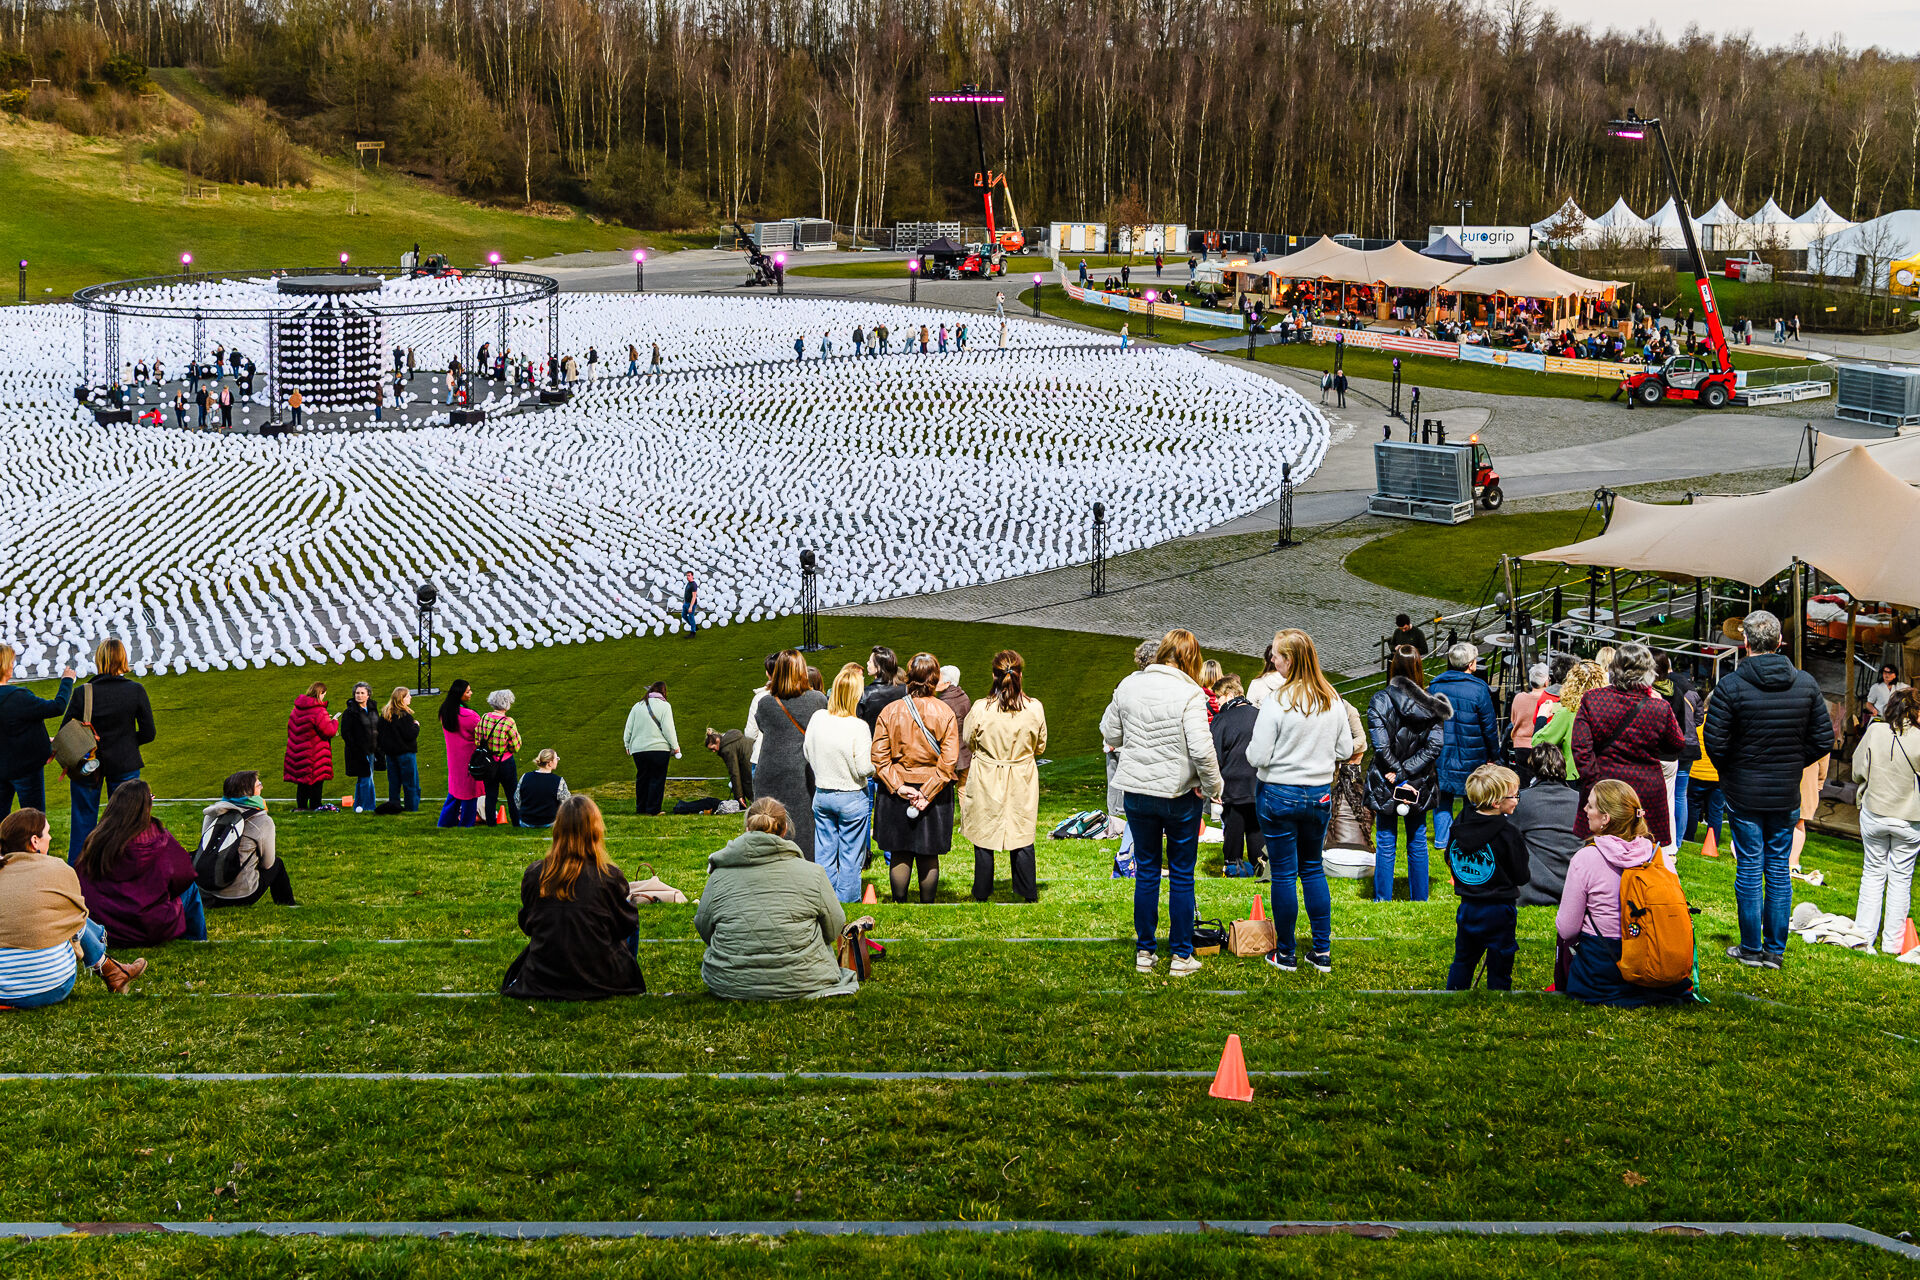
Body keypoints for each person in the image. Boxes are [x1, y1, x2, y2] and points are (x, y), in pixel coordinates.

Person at [1703, 612, 1831, 968]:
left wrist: (1736, 769)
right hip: (1778, 790)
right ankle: (1771, 949)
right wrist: (1789, 763)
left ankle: (1752, 947)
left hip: (1748, 788)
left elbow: (1714, 742)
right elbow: (1822, 739)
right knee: (1776, 867)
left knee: (1750, 867)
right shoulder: (1804, 684)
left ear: (1745, 644)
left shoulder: (1732, 685)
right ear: (1778, 643)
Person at [1101, 629, 1224, 975]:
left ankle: (1145, 951)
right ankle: (1182, 955)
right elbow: (1202, 748)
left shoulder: (1129, 685)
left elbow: (1110, 732)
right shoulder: (1189, 693)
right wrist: (1214, 785)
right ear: (1189, 659)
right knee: (1182, 875)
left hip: (1138, 792)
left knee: (1148, 873)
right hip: (1179, 793)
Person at [1244, 629, 1353, 973]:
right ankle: (1321, 950)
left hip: (1279, 791)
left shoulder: (1278, 700)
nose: (1272, 660)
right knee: (1311, 868)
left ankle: (1287, 951)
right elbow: (1346, 750)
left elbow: (1257, 755)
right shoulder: (1330, 698)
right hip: (1318, 792)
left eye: (1276, 655)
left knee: (1285, 874)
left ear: (1289, 660)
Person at [694, 798, 859, 1000]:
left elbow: (704, 927)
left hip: (730, 983)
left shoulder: (719, 875)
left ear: (747, 828)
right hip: (805, 981)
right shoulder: (813, 873)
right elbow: (834, 928)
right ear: (785, 829)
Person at [1556, 779, 1694, 1006]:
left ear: (1605, 819)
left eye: (1590, 806)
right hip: (1659, 965)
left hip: (1602, 974)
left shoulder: (1587, 858)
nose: (1585, 810)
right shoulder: (1659, 858)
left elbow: (1567, 929)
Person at [500, 796, 646, 1000]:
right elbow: (625, 925)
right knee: (629, 906)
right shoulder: (609, 876)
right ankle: (624, 968)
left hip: (543, 975)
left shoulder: (536, 873)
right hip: (601, 976)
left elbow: (527, 924)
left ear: (557, 830)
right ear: (595, 830)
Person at [0, 808, 146, 1007]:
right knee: (69, 914)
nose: (50, 837)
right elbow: (77, 918)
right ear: (35, 841)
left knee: (61, 913)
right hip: (51, 987)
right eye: (47, 832)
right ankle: (108, 968)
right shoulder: (57, 869)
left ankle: (111, 970)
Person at [1573, 644, 1686, 851]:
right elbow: (1677, 742)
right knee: (1640, 856)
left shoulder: (1593, 699)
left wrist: (1594, 782)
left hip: (1604, 785)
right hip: (1644, 790)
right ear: (1649, 672)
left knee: (1597, 851)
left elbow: (1580, 749)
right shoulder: (1658, 707)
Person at [872, 652, 961, 903]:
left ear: (909, 677)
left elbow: (879, 757)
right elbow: (949, 760)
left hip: (897, 790)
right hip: (934, 789)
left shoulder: (890, 711)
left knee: (900, 851)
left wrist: (899, 787)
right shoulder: (945, 712)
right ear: (935, 678)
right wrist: (927, 792)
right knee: (928, 851)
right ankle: (927, 903)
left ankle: (900, 901)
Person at [961, 649, 1048, 903]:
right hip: (1020, 775)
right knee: (1020, 831)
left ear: (993, 675)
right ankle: (1025, 890)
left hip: (989, 774)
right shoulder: (1034, 708)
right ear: (1020, 675)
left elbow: (969, 740)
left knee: (985, 833)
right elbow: (1040, 745)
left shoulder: (981, 708)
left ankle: (982, 891)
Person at [1366, 646, 1451, 902]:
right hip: (1417, 777)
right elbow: (1434, 746)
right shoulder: (1433, 703)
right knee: (1416, 840)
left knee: (1386, 839)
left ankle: (1383, 897)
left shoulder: (1380, 699)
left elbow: (1381, 747)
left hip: (1389, 776)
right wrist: (1407, 773)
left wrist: (1400, 773)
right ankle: (1420, 898)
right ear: (1418, 667)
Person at [59, 639, 156, 863]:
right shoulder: (135, 690)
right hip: (125, 763)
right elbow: (149, 733)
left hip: (87, 763)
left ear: (99, 660)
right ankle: (125, 868)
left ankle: (79, 873)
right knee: (127, 821)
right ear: (123, 659)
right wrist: (127, 744)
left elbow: (65, 732)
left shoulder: (84, 692)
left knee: (83, 820)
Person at [74, 781, 205, 945]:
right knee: (191, 888)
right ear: (145, 805)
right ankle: (197, 940)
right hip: (147, 926)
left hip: (104, 927)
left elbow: (81, 882)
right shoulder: (156, 836)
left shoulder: (97, 838)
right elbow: (185, 874)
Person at [1444, 763, 1528, 990]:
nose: (1518, 799)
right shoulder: (1509, 834)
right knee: (1501, 956)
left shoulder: (1460, 823)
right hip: (1500, 908)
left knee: (1463, 957)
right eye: (1515, 794)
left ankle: (1455, 991)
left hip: (1468, 907)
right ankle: (1498, 993)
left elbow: (1449, 856)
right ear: (1496, 802)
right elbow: (1521, 875)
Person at [1849, 689, 1920, 956]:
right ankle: (1892, 943)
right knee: (1901, 878)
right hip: (1909, 817)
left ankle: (1864, 935)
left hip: (1875, 810)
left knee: (1873, 873)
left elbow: (1857, 770)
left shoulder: (1875, 731)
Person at [805, 664, 874, 903]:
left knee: (823, 853)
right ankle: (846, 903)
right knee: (850, 857)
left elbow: (806, 752)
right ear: (856, 696)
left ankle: (825, 901)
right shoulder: (858, 727)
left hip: (822, 793)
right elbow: (864, 768)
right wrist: (876, 766)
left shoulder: (818, 718)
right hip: (851, 795)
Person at [756, 651, 829, 860]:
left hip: (769, 770)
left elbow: (762, 726)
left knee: (767, 822)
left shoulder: (766, 703)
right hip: (802, 770)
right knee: (804, 826)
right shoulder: (817, 700)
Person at [1429, 643, 1502, 853]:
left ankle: (1442, 841)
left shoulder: (1435, 687)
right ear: (1471, 664)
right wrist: (1493, 755)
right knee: (1474, 798)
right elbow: (1489, 726)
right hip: (1473, 753)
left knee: (1443, 798)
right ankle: (1469, 837)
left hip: (1443, 753)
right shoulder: (1479, 689)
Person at [199, 770, 295, 909]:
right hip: (240, 895)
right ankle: (287, 905)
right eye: (258, 785)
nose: (262, 787)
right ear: (247, 792)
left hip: (207, 892)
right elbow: (268, 864)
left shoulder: (211, 815)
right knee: (277, 864)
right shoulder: (261, 820)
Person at [0, 645, 73, 815]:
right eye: (11, 662)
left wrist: (40, 739)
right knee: (35, 818)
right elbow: (57, 707)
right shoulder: (18, 696)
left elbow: (10, 727)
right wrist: (67, 681)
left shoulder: (17, 697)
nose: (12, 666)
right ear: (5, 666)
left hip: (5, 766)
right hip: (25, 769)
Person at [1512, 742, 1582, 908]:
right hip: (1572, 882)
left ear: (1533, 768)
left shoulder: (1523, 800)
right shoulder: (1580, 800)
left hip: (1533, 887)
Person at [1209, 674, 1265, 877]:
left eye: (1218, 697)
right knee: (1255, 826)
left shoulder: (1221, 720)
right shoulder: (1260, 715)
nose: (1215, 702)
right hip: (1258, 782)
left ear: (1230, 694)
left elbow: (1214, 755)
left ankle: (1233, 865)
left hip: (1232, 784)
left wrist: (1212, 786)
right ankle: (1259, 863)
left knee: (1233, 827)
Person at [1531, 660, 1604, 780]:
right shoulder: (1606, 711)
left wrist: (1542, 717)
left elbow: (1539, 743)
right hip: (1602, 777)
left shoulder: (1567, 713)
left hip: (1575, 777)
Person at [624, 682, 681, 816]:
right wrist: (675, 746)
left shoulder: (637, 706)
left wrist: (627, 744)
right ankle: (653, 809)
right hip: (659, 749)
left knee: (642, 778)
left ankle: (641, 808)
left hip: (638, 750)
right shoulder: (665, 706)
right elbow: (668, 729)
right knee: (657, 779)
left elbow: (628, 728)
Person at [282, 682, 338, 813]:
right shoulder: (319, 710)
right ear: (320, 693)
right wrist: (333, 721)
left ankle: (301, 807)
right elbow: (328, 731)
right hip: (314, 751)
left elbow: (292, 728)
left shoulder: (297, 709)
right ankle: (315, 806)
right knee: (317, 780)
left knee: (302, 782)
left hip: (298, 750)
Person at [437, 680, 483, 828]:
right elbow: (483, 734)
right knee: (470, 794)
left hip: (454, 758)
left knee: (454, 792)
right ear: (460, 694)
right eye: (468, 691)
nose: (471, 693)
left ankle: (445, 822)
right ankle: (466, 824)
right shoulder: (469, 716)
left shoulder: (445, 712)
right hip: (469, 759)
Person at [1685, 689, 1725, 848]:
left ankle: (1688, 836)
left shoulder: (1699, 723)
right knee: (1716, 810)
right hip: (1717, 775)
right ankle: (1713, 841)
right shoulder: (1724, 727)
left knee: (1693, 806)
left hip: (1696, 772)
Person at [476, 690, 523, 826]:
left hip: (488, 762)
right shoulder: (508, 722)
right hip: (505, 762)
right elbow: (516, 746)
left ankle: (491, 822)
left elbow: (477, 738)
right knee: (512, 794)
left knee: (490, 794)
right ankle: (516, 822)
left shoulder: (485, 717)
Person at [340, 682, 382, 814]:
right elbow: (346, 733)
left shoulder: (373, 710)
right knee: (366, 777)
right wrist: (357, 749)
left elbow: (377, 728)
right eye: (357, 693)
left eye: (362, 693)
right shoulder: (350, 712)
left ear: (368, 695)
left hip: (372, 750)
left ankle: (359, 806)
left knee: (365, 778)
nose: (359, 695)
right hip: (357, 751)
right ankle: (368, 807)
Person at [377, 687, 421, 812]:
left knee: (394, 783)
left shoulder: (385, 715)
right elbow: (410, 735)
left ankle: (394, 806)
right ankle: (411, 807)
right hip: (406, 754)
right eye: (407, 696)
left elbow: (380, 734)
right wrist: (416, 726)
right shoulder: (405, 716)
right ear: (402, 699)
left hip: (390, 754)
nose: (410, 698)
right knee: (411, 783)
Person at [1508, 664, 1551, 781]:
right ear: (1546, 682)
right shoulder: (1549, 701)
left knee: (1524, 783)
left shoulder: (1519, 698)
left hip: (1520, 746)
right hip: (1540, 747)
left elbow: (1513, 720)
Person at [935, 664, 972, 794]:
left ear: (948, 683)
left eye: (937, 680)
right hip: (966, 750)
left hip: (953, 752)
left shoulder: (945, 703)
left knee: (952, 788)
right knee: (964, 787)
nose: (934, 682)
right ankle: (966, 814)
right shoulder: (963, 696)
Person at [514, 749, 571, 828]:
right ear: (549, 763)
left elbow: (517, 800)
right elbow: (567, 804)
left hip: (526, 821)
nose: (557, 760)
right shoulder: (559, 781)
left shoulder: (525, 776)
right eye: (556, 758)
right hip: (549, 822)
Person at [706, 728, 754, 806]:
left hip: (749, 767)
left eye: (713, 748)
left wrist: (739, 796)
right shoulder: (734, 736)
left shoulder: (726, 749)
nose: (713, 751)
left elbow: (734, 772)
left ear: (717, 740)